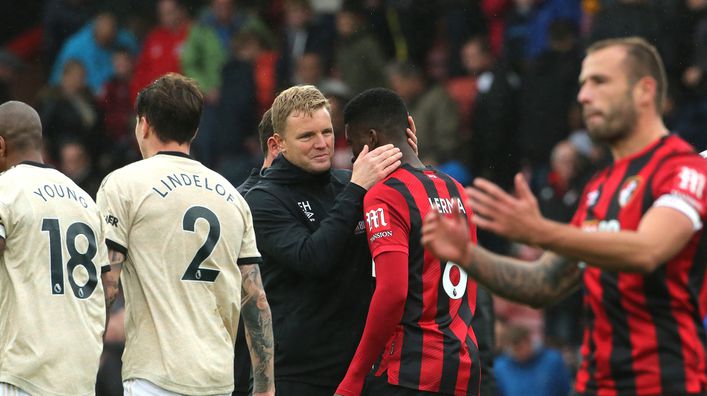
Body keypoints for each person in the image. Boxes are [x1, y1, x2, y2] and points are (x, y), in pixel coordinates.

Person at [422, 37, 707, 395]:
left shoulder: (685, 170)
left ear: (644, 91)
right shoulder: (598, 187)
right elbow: (542, 283)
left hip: (667, 385)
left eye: (600, 82)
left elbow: (648, 250)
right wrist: (466, 255)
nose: (585, 96)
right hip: (594, 385)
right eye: (583, 84)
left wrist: (541, 231)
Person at [95, 73, 274, 396]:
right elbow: (255, 297)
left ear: (144, 124)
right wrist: (264, 387)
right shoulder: (231, 197)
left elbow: (108, 286)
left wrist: (83, 358)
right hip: (217, 378)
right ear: (194, 129)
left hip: (156, 376)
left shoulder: (123, 185)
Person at [244, 85, 402, 396]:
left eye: (327, 132)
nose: (322, 144)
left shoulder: (348, 183)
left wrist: (405, 157)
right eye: (306, 136)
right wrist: (356, 190)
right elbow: (314, 259)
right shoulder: (262, 200)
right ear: (278, 145)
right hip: (298, 376)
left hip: (358, 373)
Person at [335, 88, 481, 396]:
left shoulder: (385, 195)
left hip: (409, 371)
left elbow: (392, 293)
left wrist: (354, 376)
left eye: (353, 142)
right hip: (462, 367)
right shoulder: (455, 190)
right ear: (410, 129)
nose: (351, 155)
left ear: (372, 138)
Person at [0, 101, 114, 395]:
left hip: (23, 372)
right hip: (78, 374)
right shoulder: (84, 200)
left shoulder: (5, 189)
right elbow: (107, 288)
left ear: (0, 145)